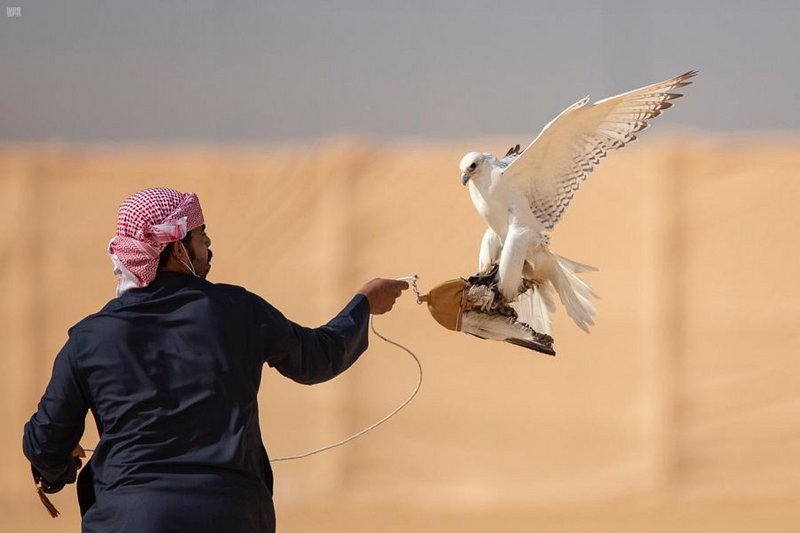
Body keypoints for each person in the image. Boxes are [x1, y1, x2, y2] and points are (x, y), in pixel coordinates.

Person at [22, 187, 408, 532]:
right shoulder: (237, 309)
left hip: (129, 518)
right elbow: (318, 357)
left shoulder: (89, 338)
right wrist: (364, 304)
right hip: (231, 516)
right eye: (202, 236)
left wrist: (57, 473)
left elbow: (46, 441)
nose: (209, 248)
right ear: (176, 249)